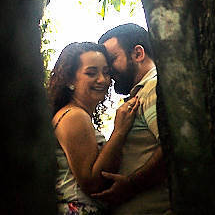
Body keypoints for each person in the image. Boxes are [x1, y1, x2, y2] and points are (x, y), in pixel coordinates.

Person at [48, 41, 142, 214]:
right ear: (70, 80)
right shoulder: (74, 116)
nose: (102, 80)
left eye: (106, 73)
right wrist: (119, 132)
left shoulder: (76, 114)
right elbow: (92, 183)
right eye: (91, 73)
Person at [94, 23, 171, 214]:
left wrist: (131, 184)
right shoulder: (141, 94)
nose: (108, 72)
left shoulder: (153, 90)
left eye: (112, 60)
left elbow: (173, 147)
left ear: (138, 54)